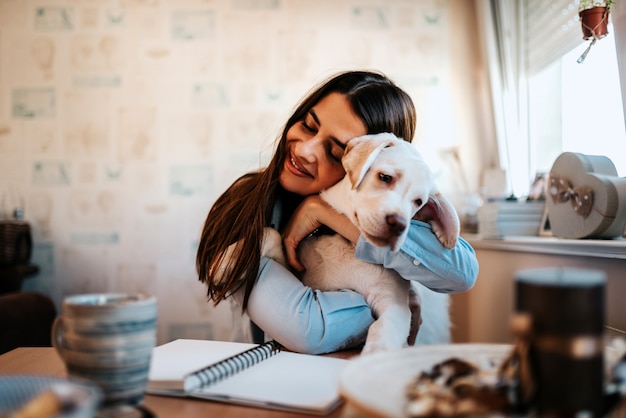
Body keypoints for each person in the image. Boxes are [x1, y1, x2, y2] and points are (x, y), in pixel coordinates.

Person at [196, 70, 479, 354]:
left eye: (335, 152)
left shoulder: (385, 209)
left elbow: (462, 273)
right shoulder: (246, 206)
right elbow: (307, 327)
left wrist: (325, 213)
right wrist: (391, 309)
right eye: (308, 125)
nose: (305, 150)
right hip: (262, 381)